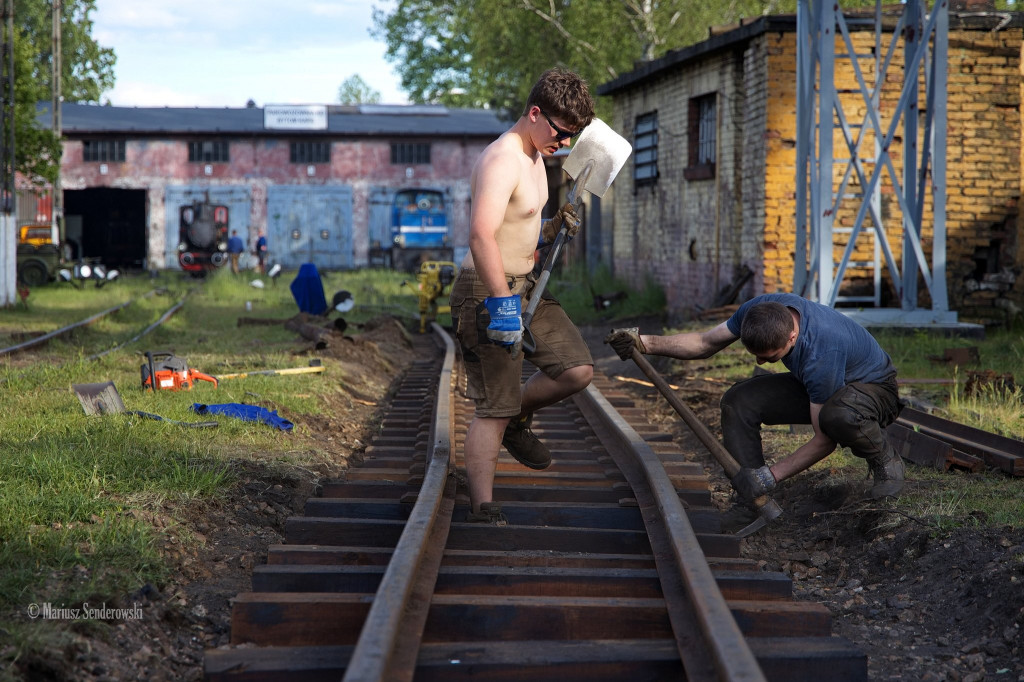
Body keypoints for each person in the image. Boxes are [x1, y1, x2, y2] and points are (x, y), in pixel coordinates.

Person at [605, 293, 905, 532]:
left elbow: (823, 440)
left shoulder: (821, 353)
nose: (763, 360)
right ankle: (750, 503)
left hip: (872, 390)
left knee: (837, 417)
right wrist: (644, 343)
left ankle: (885, 460)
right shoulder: (758, 310)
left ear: (791, 336)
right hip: (823, 385)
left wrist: (768, 476)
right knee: (739, 401)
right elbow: (704, 343)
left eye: (770, 356)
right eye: (756, 354)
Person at [449, 68, 596, 525]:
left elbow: (521, 225)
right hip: (488, 290)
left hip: (527, 285)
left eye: (574, 136)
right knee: (494, 404)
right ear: (535, 114)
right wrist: (500, 305)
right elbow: (481, 235)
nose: (565, 144)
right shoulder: (502, 160)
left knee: (577, 370)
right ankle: (482, 506)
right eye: (562, 133)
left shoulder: (536, 153)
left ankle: (518, 418)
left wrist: (552, 227)